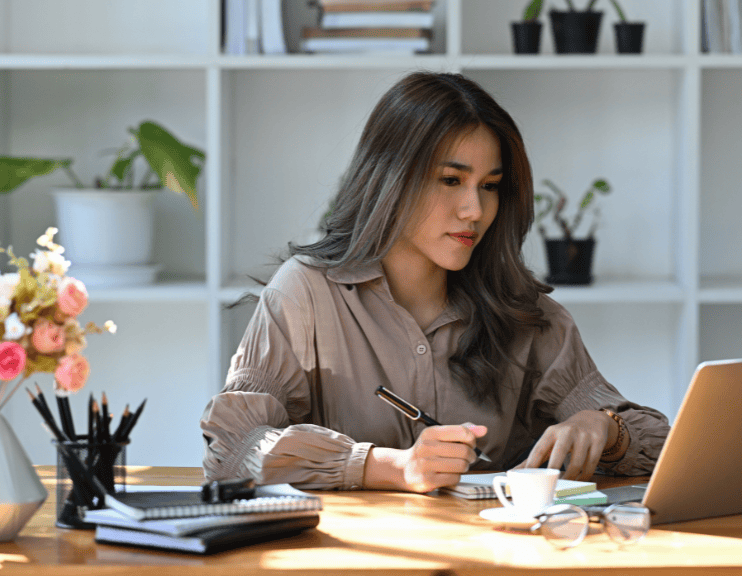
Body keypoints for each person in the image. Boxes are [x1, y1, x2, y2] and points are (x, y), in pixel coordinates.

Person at [201, 71, 669, 493]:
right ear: (391, 179)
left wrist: (604, 426)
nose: (475, 210)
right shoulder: (305, 294)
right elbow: (234, 449)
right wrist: (388, 466)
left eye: (489, 186)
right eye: (450, 180)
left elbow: (665, 444)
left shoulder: (522, 309)